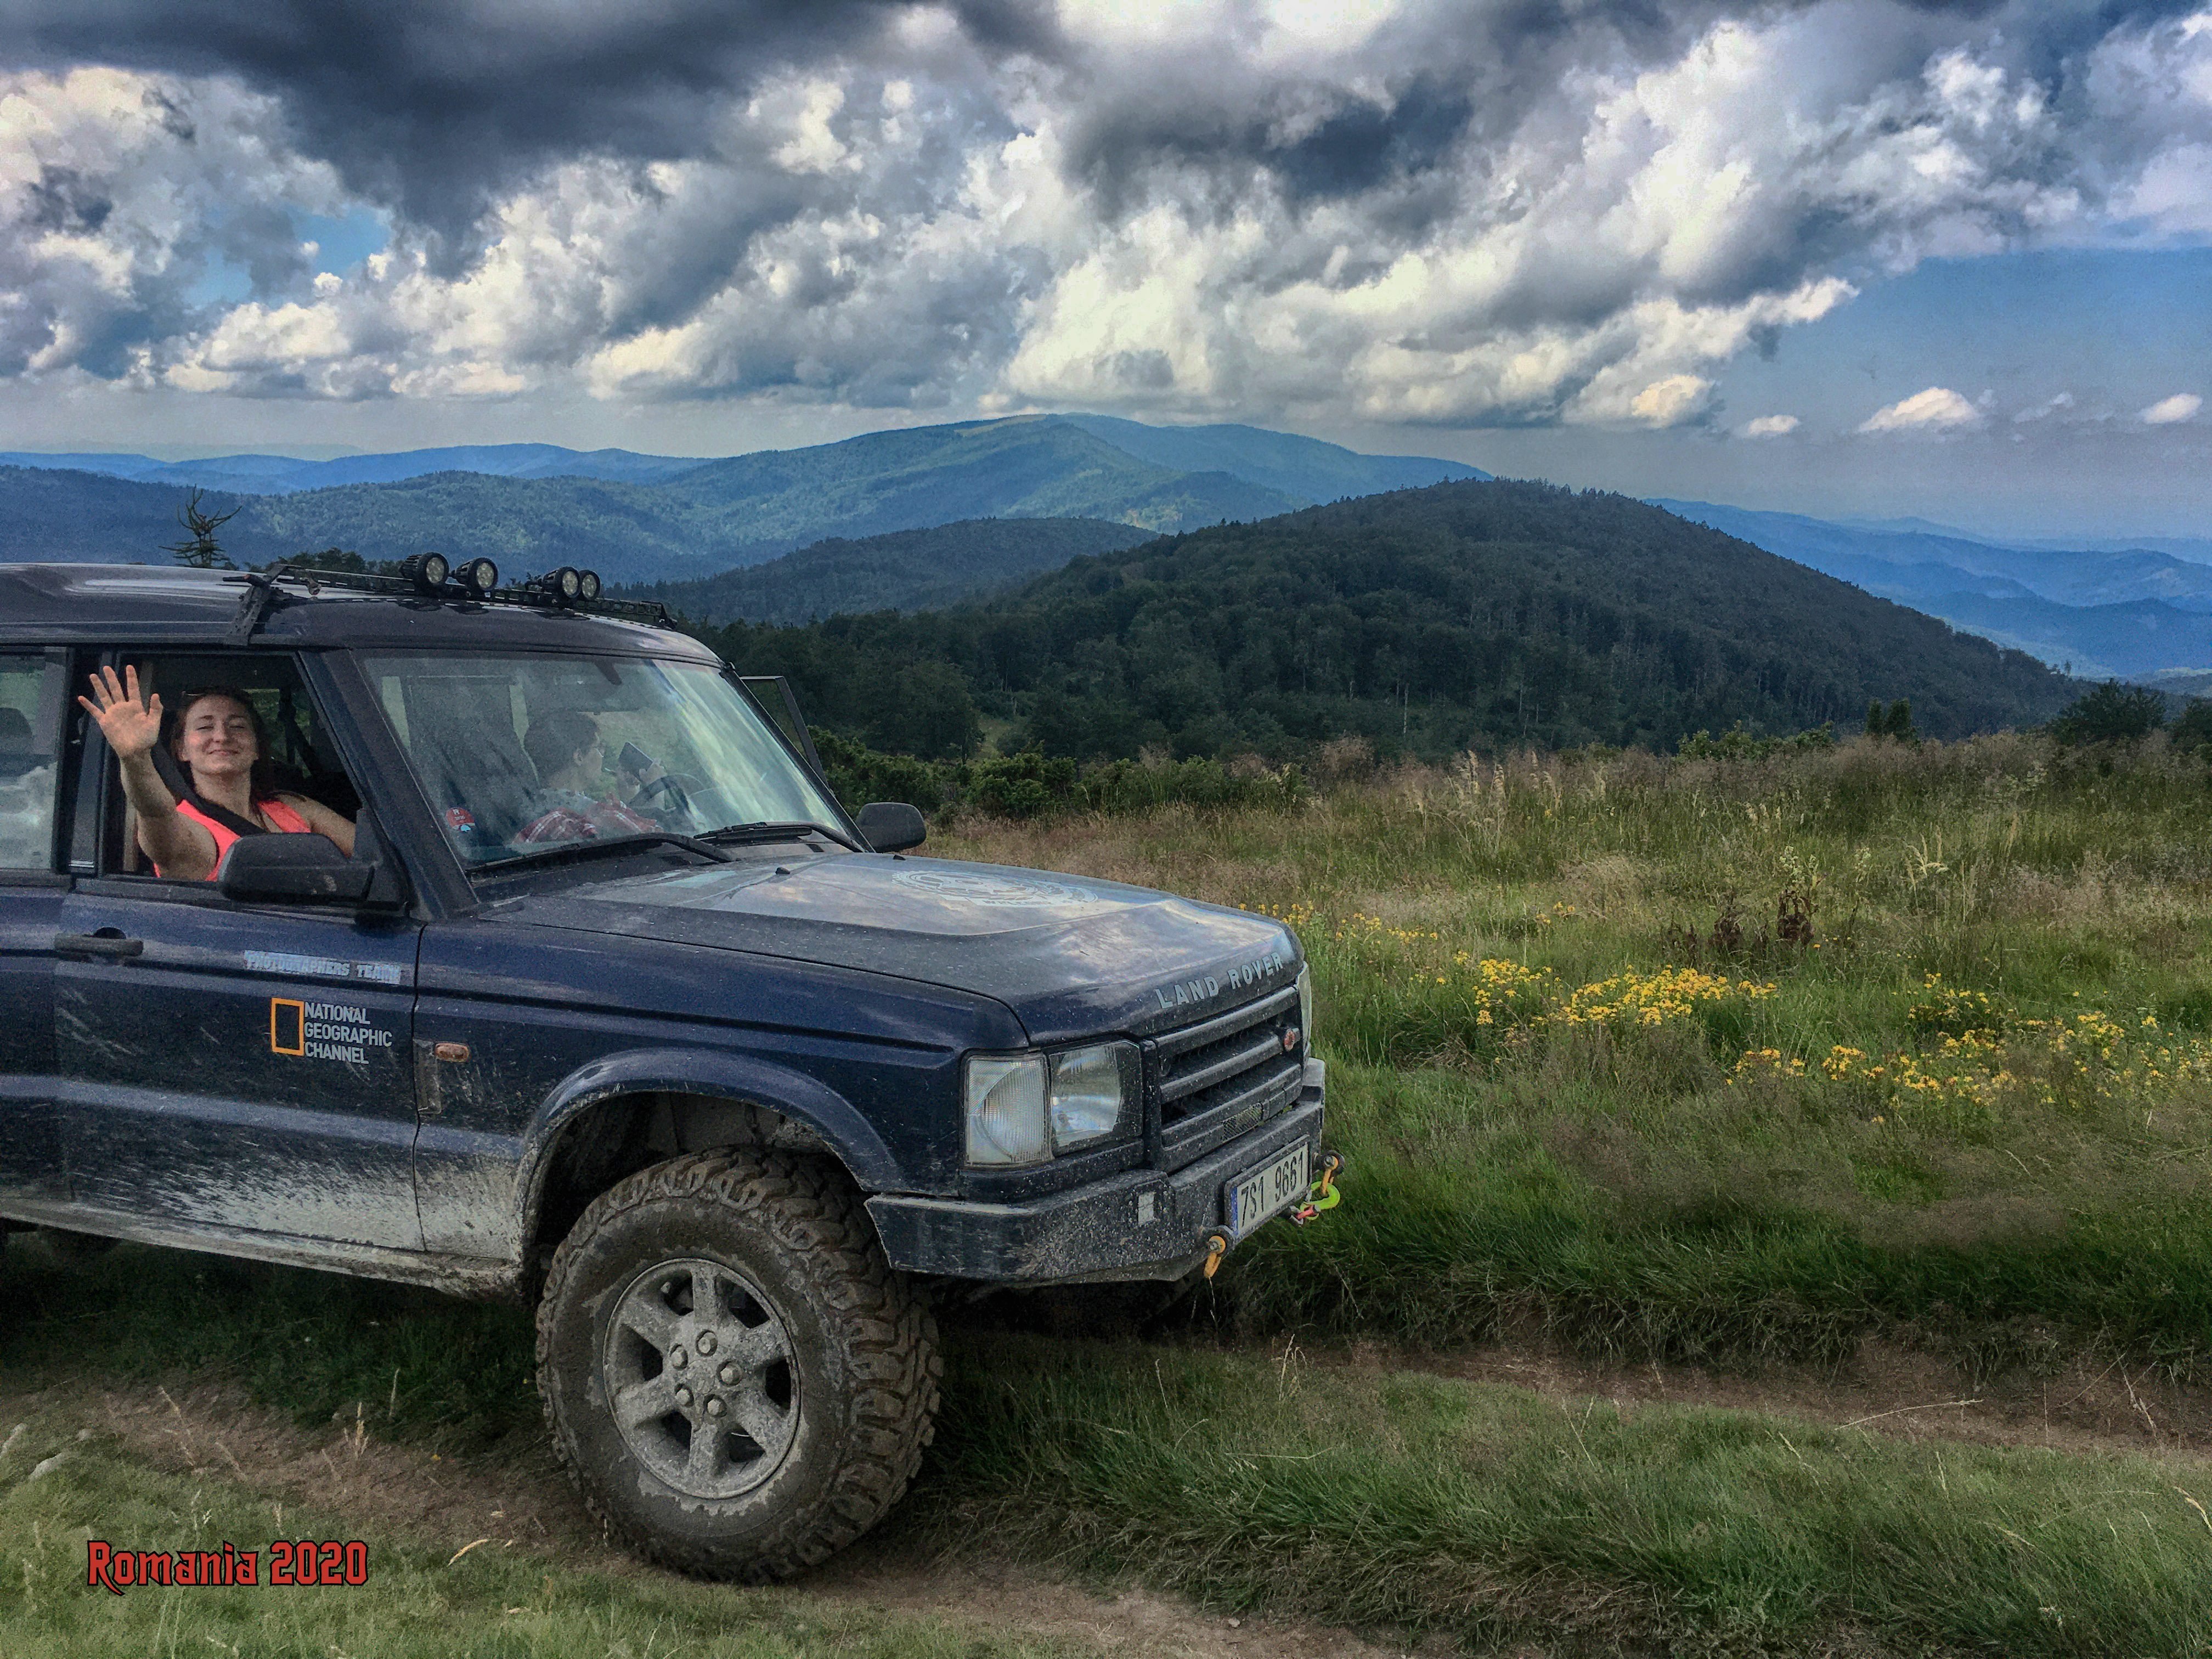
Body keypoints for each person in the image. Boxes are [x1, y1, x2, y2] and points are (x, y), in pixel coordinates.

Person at [78, 667, 356, 882]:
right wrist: (135, 758)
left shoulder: (292, 806)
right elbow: (154, 812)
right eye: (204, 727)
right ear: (182, 750)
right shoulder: (188, 829)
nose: (222, 736)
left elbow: (370, 855)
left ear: (258, 747)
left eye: (237, 726)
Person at [515, 708, 663, 845]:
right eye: (599, 748)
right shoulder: (593, 815)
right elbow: (657, 842)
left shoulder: (533, 809)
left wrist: (630, 796)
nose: (602, 755)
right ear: (579, 757)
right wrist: (657, 789)